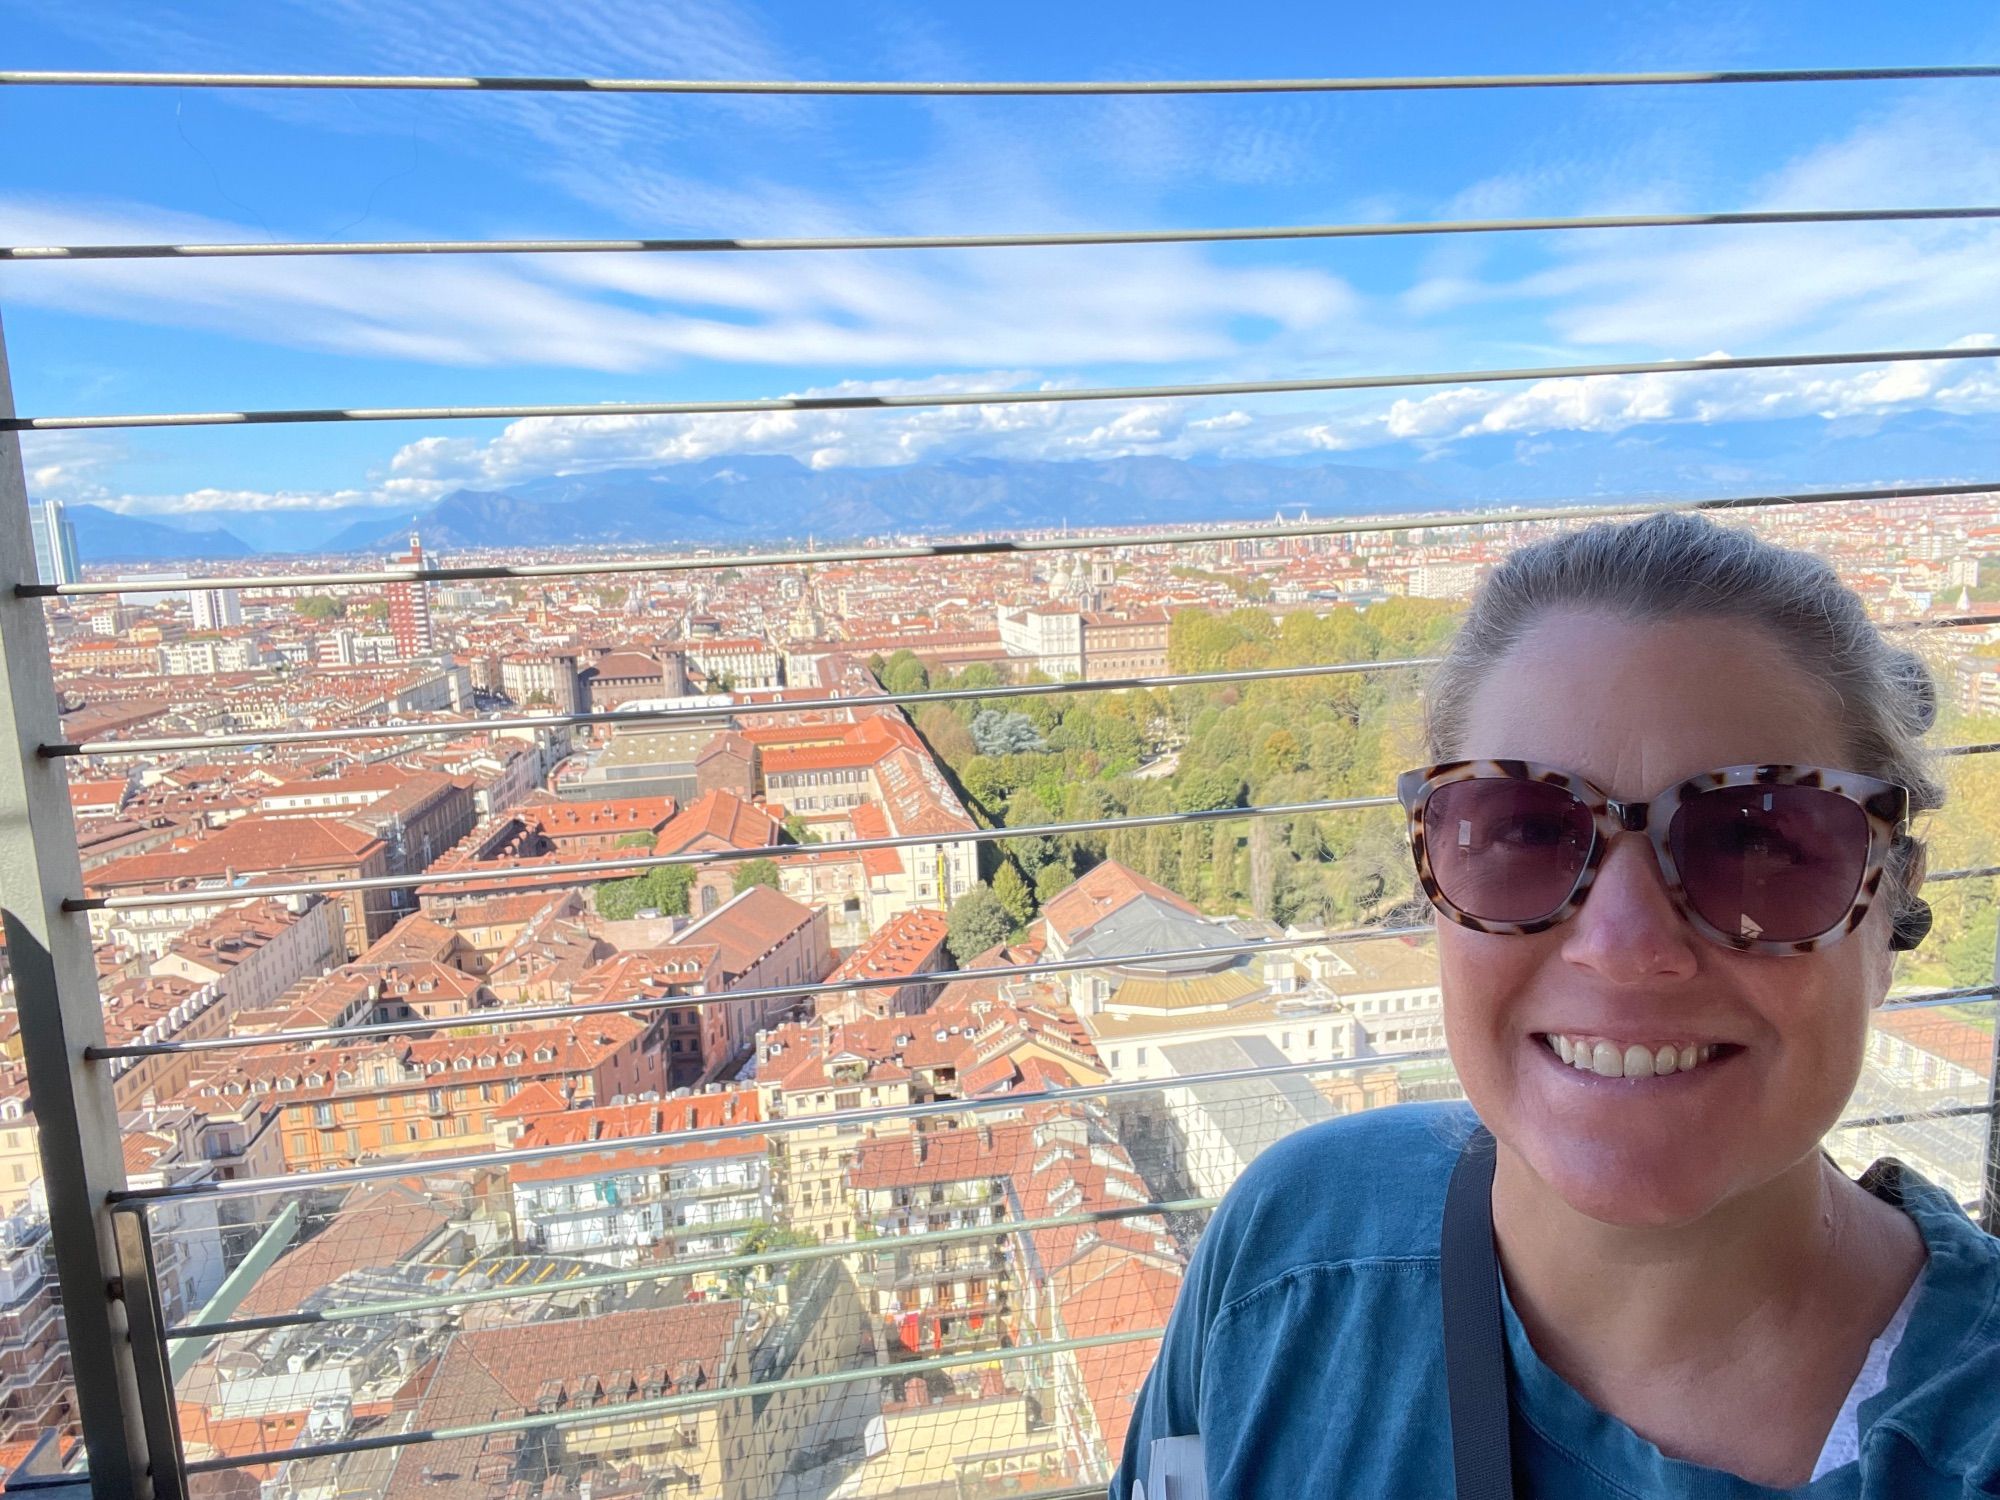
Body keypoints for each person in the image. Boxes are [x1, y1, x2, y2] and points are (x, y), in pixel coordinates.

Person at [1111, 510, 2000, 1498]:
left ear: (1888, 912)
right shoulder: (1286, 1247)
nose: (1626, 949)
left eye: (1752, 842)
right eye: (1524, 832)